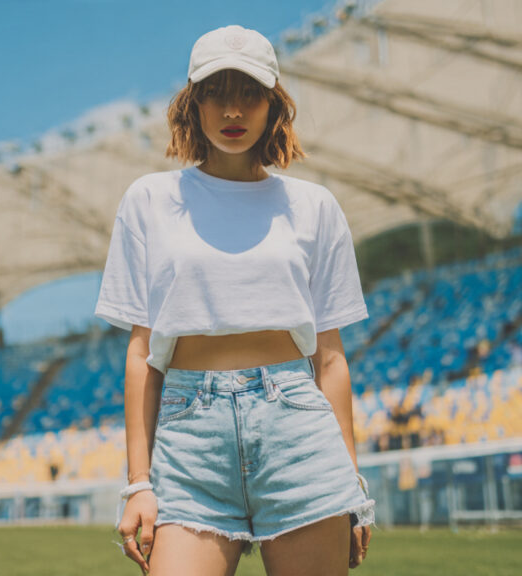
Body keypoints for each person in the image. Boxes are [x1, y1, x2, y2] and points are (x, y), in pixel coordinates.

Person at [95, 24, 376, 575]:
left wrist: (352, 483)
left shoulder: (314, 206)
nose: (233, 109)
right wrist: (138, 483)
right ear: (192, 103)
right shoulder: (149, 200)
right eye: (217, 92)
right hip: (189, 438)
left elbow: (330, 358)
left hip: (298, 430)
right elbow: (141, 352)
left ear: (274, 106)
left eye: (250, 93)